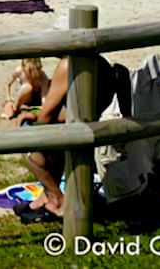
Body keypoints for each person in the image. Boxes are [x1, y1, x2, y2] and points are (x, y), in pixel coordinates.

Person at [24, 55, 118, 217]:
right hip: (97, 126)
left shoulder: (68, 65)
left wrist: (31, 128)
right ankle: (46, 196)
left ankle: (56, 201)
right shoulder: (99, 62)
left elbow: (46, 116)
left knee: (33, 157)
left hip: (80, 134)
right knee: (56, 132)